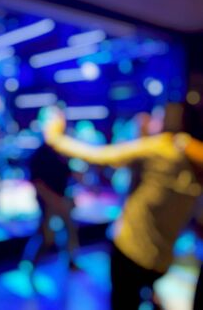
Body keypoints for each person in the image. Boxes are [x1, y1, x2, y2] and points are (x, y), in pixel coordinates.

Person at [43, 103, 203, 310]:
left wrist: (56, 138)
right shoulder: (195, 161)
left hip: (130, 251)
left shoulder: (159, 148)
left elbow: (100, 156)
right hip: (161, 260)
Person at [21, 135, 80, 276]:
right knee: (46, 236)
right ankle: (30, 263)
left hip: (62, 198)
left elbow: (69, 174)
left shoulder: (62, 151)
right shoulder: (40, 154)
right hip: (47, 201)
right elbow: (37, 182)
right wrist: (53, 201)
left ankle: (70, 260)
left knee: (70, 231)